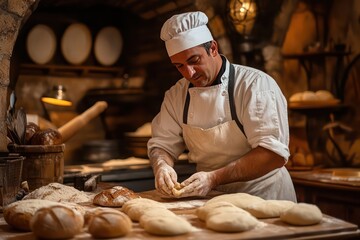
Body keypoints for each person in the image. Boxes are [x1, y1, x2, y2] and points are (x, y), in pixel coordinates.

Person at [147, 11, 297, 201]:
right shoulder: (176, 95)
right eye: (179, 66)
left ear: (213, 49)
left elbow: (272, 154)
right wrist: (162, 165)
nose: (189, 73)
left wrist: (213, 178)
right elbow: (162, 145)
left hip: (264, 196)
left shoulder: (255, 85)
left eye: (194, 61)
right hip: (211, 199)